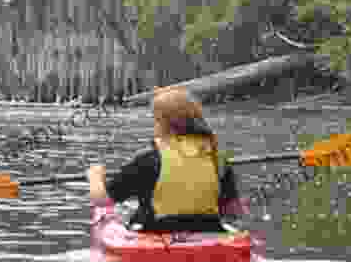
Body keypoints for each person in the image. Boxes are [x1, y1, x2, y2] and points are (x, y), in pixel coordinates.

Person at [87, 86, 249, 233]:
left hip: (158, 238)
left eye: (155, 120)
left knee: (129, 214)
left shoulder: (147, 160)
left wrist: (95, 176)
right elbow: (232, 211)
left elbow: (102, 199)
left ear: (163, 123)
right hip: (210, 236)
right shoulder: (217, 158)